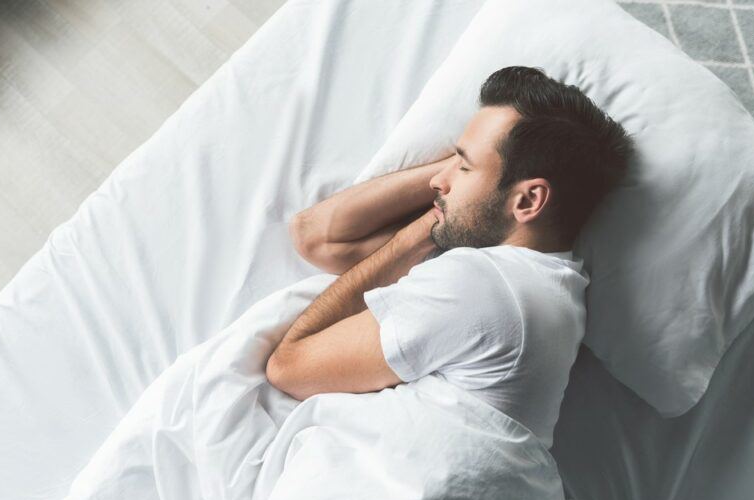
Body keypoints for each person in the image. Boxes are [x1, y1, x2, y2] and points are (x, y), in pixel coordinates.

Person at [267, 66, 634, 450]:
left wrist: (447, 212)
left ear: (527, 200)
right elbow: (316, 235)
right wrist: (457, 201)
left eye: (463, 165)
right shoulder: (546, 287)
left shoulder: (480, 286)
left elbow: (288, 368)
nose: (436, 182)